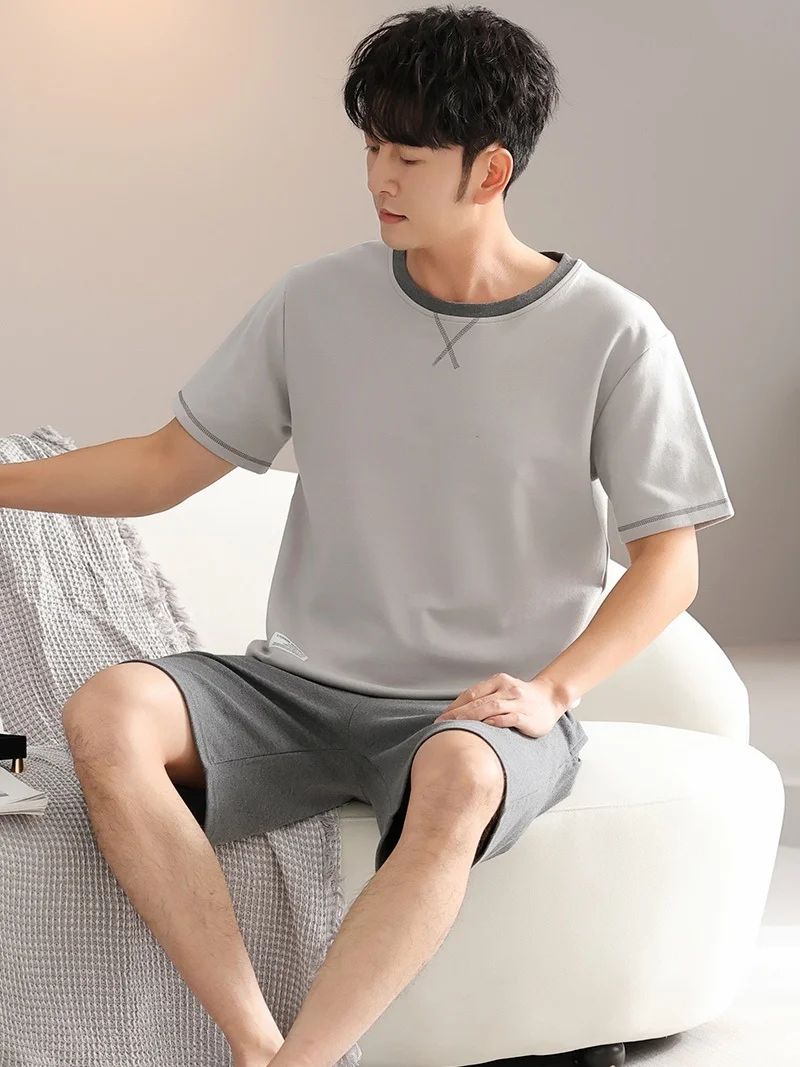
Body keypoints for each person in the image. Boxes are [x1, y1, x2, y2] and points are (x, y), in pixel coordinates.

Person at [5, 5, 733, 1067]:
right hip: (295, 687)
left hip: (475, 708)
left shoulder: (613, 332)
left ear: (490, 171)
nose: (378, 178)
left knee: (460, 777)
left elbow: (671, 560)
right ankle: (256, 1043)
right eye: (371, 148)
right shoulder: (315, 300)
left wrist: (552, 691)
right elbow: (164, 465)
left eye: (408, 156)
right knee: (108, 711)